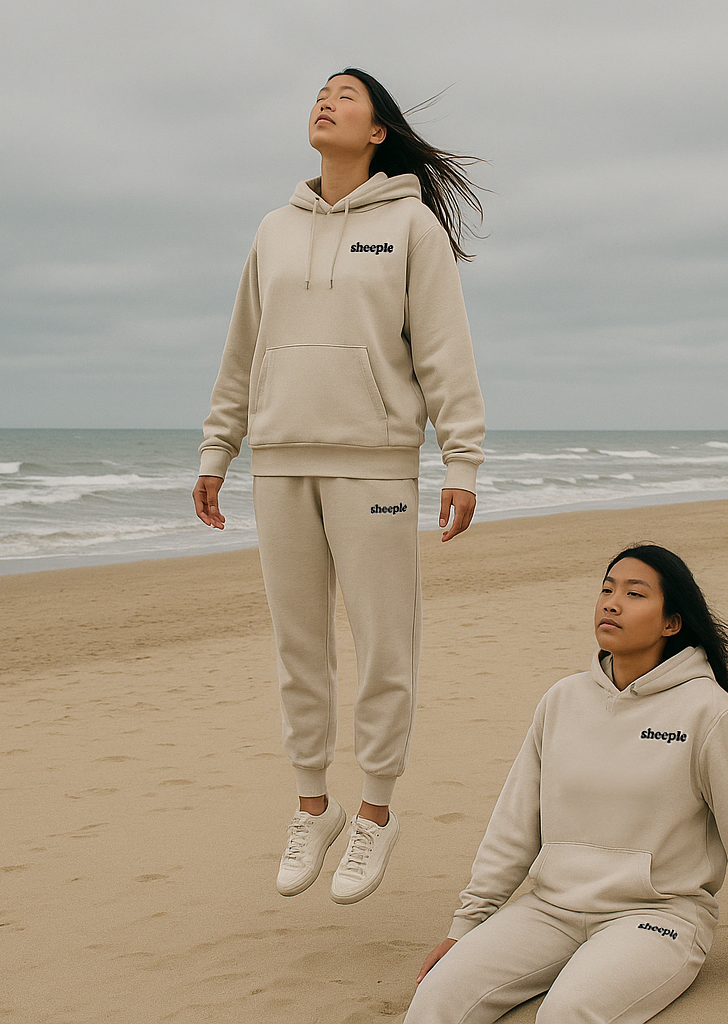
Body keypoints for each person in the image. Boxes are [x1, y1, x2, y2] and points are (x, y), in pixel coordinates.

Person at [193, 69, 487, 905]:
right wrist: (219, 449)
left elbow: (443, 352)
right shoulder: (272, 230)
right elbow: (243, 350)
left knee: (382, 645)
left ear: (378, 132)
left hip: (375, 463)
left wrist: (460, 458)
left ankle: (376, 813)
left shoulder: (409, 227)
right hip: (280, 460)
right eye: (319, 93)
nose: (325, 102)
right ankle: (312, 806)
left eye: (346, 96)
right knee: (298, 647)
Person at [406, 545, 728, 1023]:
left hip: (657, 919)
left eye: (634, 593)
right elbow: (513, 825)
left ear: (672, 623)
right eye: (606, 589)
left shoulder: (708, 711)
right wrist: (467, 927)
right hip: (549, 910)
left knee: (564, 1016)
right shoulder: (563, 699)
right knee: (433, 1003)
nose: (611, 603)